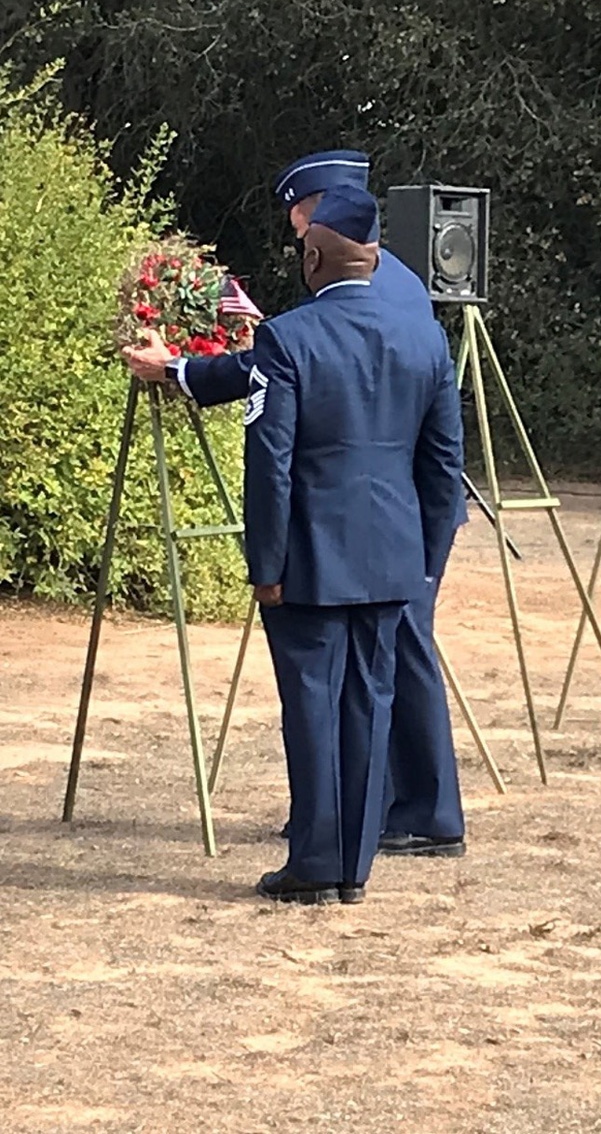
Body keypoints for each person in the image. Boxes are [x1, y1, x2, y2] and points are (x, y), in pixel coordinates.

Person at [123, 150, 467, 857]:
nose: (294, 230)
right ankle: (372, 822)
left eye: (297, 216)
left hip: (346, 527)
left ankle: (399, 818)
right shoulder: (390, 279)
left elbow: (284, 376)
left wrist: (181, 369)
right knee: (383, 671)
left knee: (364, 675)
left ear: (318, 216)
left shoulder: (356, 291)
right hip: (397, 526)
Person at [245, 184, 464, 904]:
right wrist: (426, 563)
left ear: (314, 257)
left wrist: (265, 564)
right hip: (394, 556)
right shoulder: (426, 338)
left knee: (312, 704)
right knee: (371, 700)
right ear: (374, 259)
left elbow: (271, 463)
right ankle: (355, 866)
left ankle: (315, 861)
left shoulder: (286, 338)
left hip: (309, 557)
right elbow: (443, 465)